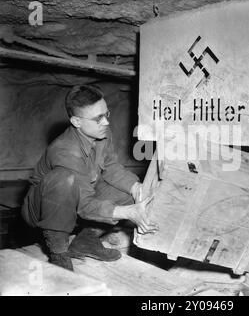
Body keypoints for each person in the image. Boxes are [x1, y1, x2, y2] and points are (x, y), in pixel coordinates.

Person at [22, 85, 158, 271]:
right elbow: (84, 205)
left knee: (126, 190)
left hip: (79, 196)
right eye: (98, 118)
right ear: (77, 121)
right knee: (65, 180)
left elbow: (111, 168)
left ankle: (87, 239)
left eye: (106, 114)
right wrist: (128, 212)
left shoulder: (102, 134)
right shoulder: (64, 149)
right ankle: (58, 254)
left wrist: (136, 188)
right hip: (44, 208)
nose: (106, 123)